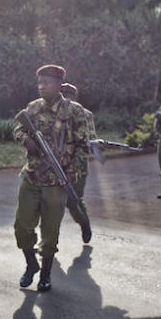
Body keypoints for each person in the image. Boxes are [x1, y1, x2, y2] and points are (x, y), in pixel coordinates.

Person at [12, 65, 89, 293]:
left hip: (57, 181)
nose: (41, 87)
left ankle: (45, 274)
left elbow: (82, 147)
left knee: (50, 233)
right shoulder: (32, 108)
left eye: (46, 82)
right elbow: (17, 128)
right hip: (32, 176)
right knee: (22, 227)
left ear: (58, 84)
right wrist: (26, 140)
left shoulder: (75, 111)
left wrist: (70, 174)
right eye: (39, 83)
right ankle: (31, 264)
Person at [60, 82, 94, 243]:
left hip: (78, 165)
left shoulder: (85, 114)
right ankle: (49, 241)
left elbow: (90, 138)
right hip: (55, 164)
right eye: (63, 94)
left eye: (69, 95)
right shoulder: (50, 111)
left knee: (73, 201)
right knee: (49, 202)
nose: (66, 98)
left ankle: (84, 223)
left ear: (74, 97)